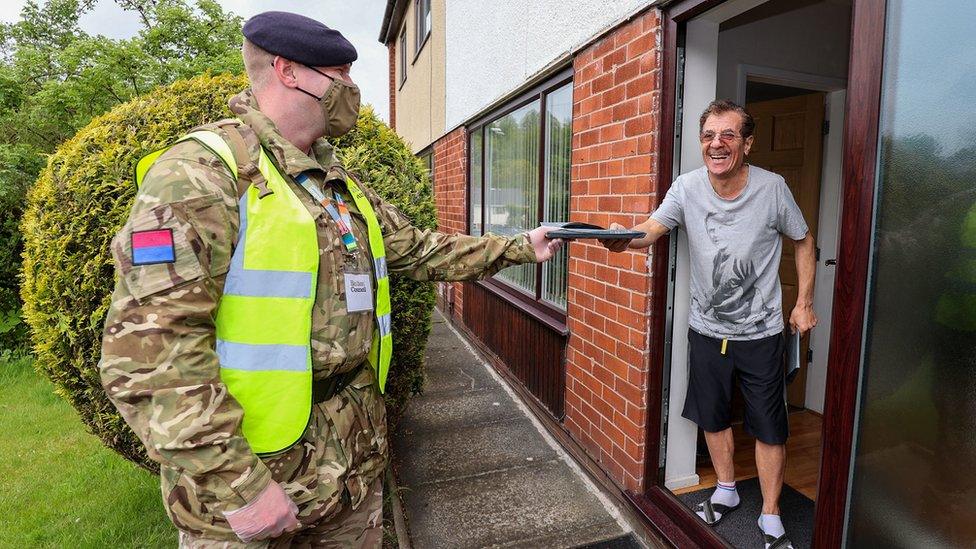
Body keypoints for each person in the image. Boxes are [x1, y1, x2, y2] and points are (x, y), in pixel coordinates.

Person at [98, 11, 562, 548]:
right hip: (255, 487)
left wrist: (518, 248)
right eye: (339, 75)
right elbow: (151, 355)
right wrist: (239, 487)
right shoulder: (202, 176)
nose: (350, 88)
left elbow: (415, 249)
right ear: (288, 71)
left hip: (349, 472)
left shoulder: (334, 181)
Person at [603, 99, 817, 549]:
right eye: (708, 136)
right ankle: (725, 488)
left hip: (761, 333)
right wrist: (622, 240)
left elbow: (803, 239)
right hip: (706, 330)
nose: (716, 144)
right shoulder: (686, 187)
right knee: (712, 415)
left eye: (727, 135)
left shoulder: (772, 188)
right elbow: (651, 230)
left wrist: (803, 303)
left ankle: (772, 513)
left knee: (769, 426)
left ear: (747, 143)